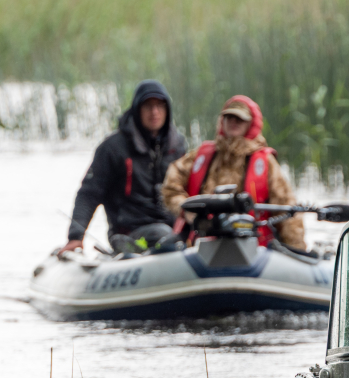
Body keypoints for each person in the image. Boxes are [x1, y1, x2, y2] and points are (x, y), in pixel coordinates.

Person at [162, 94, 307, 252]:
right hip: (203, 246)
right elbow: (171, 186)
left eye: (240, 119)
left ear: (250, 124)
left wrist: (297, 250)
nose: (233, 122)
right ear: (222, 121)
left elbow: (287, 210)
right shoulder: (202, 155)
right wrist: (186, 210)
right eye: (229, 117)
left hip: (252, 249)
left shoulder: (266, 163)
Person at [60, 80, 187, 256]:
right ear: (137, 109)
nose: (154, 112)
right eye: (148, 106)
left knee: (180, 235)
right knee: (162, 234)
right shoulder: (113, 148)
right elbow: (89, 194)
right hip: (130, 233)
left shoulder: (178, 147)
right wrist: (76, 236)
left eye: (160, 105)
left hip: (174, 232)